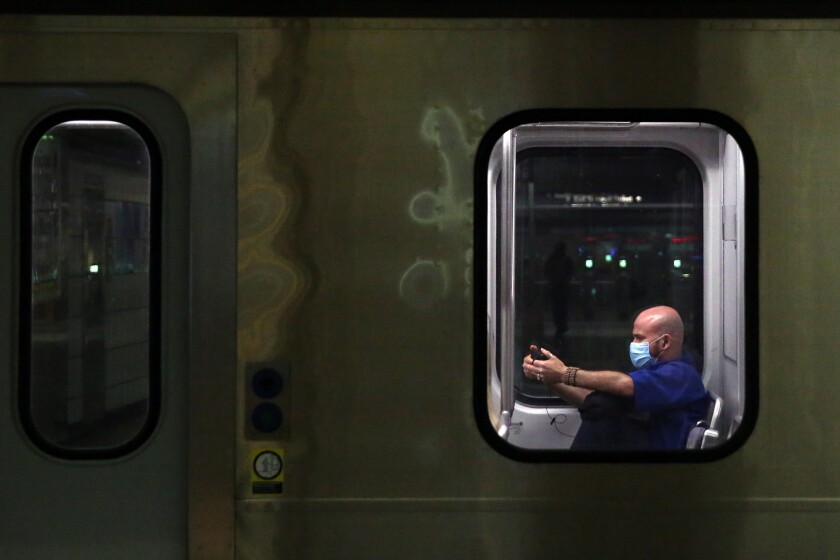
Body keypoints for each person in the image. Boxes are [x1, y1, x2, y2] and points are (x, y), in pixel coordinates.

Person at [522, 305, 710, 450]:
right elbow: (590, 401)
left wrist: (564, 373)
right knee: (601, 411)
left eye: (639, 338)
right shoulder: (656, 373)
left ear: (665, 342)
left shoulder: (680, 375)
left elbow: (623, 384)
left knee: (603, 424)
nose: (633, 344)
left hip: (654, 464)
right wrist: (549, 375)